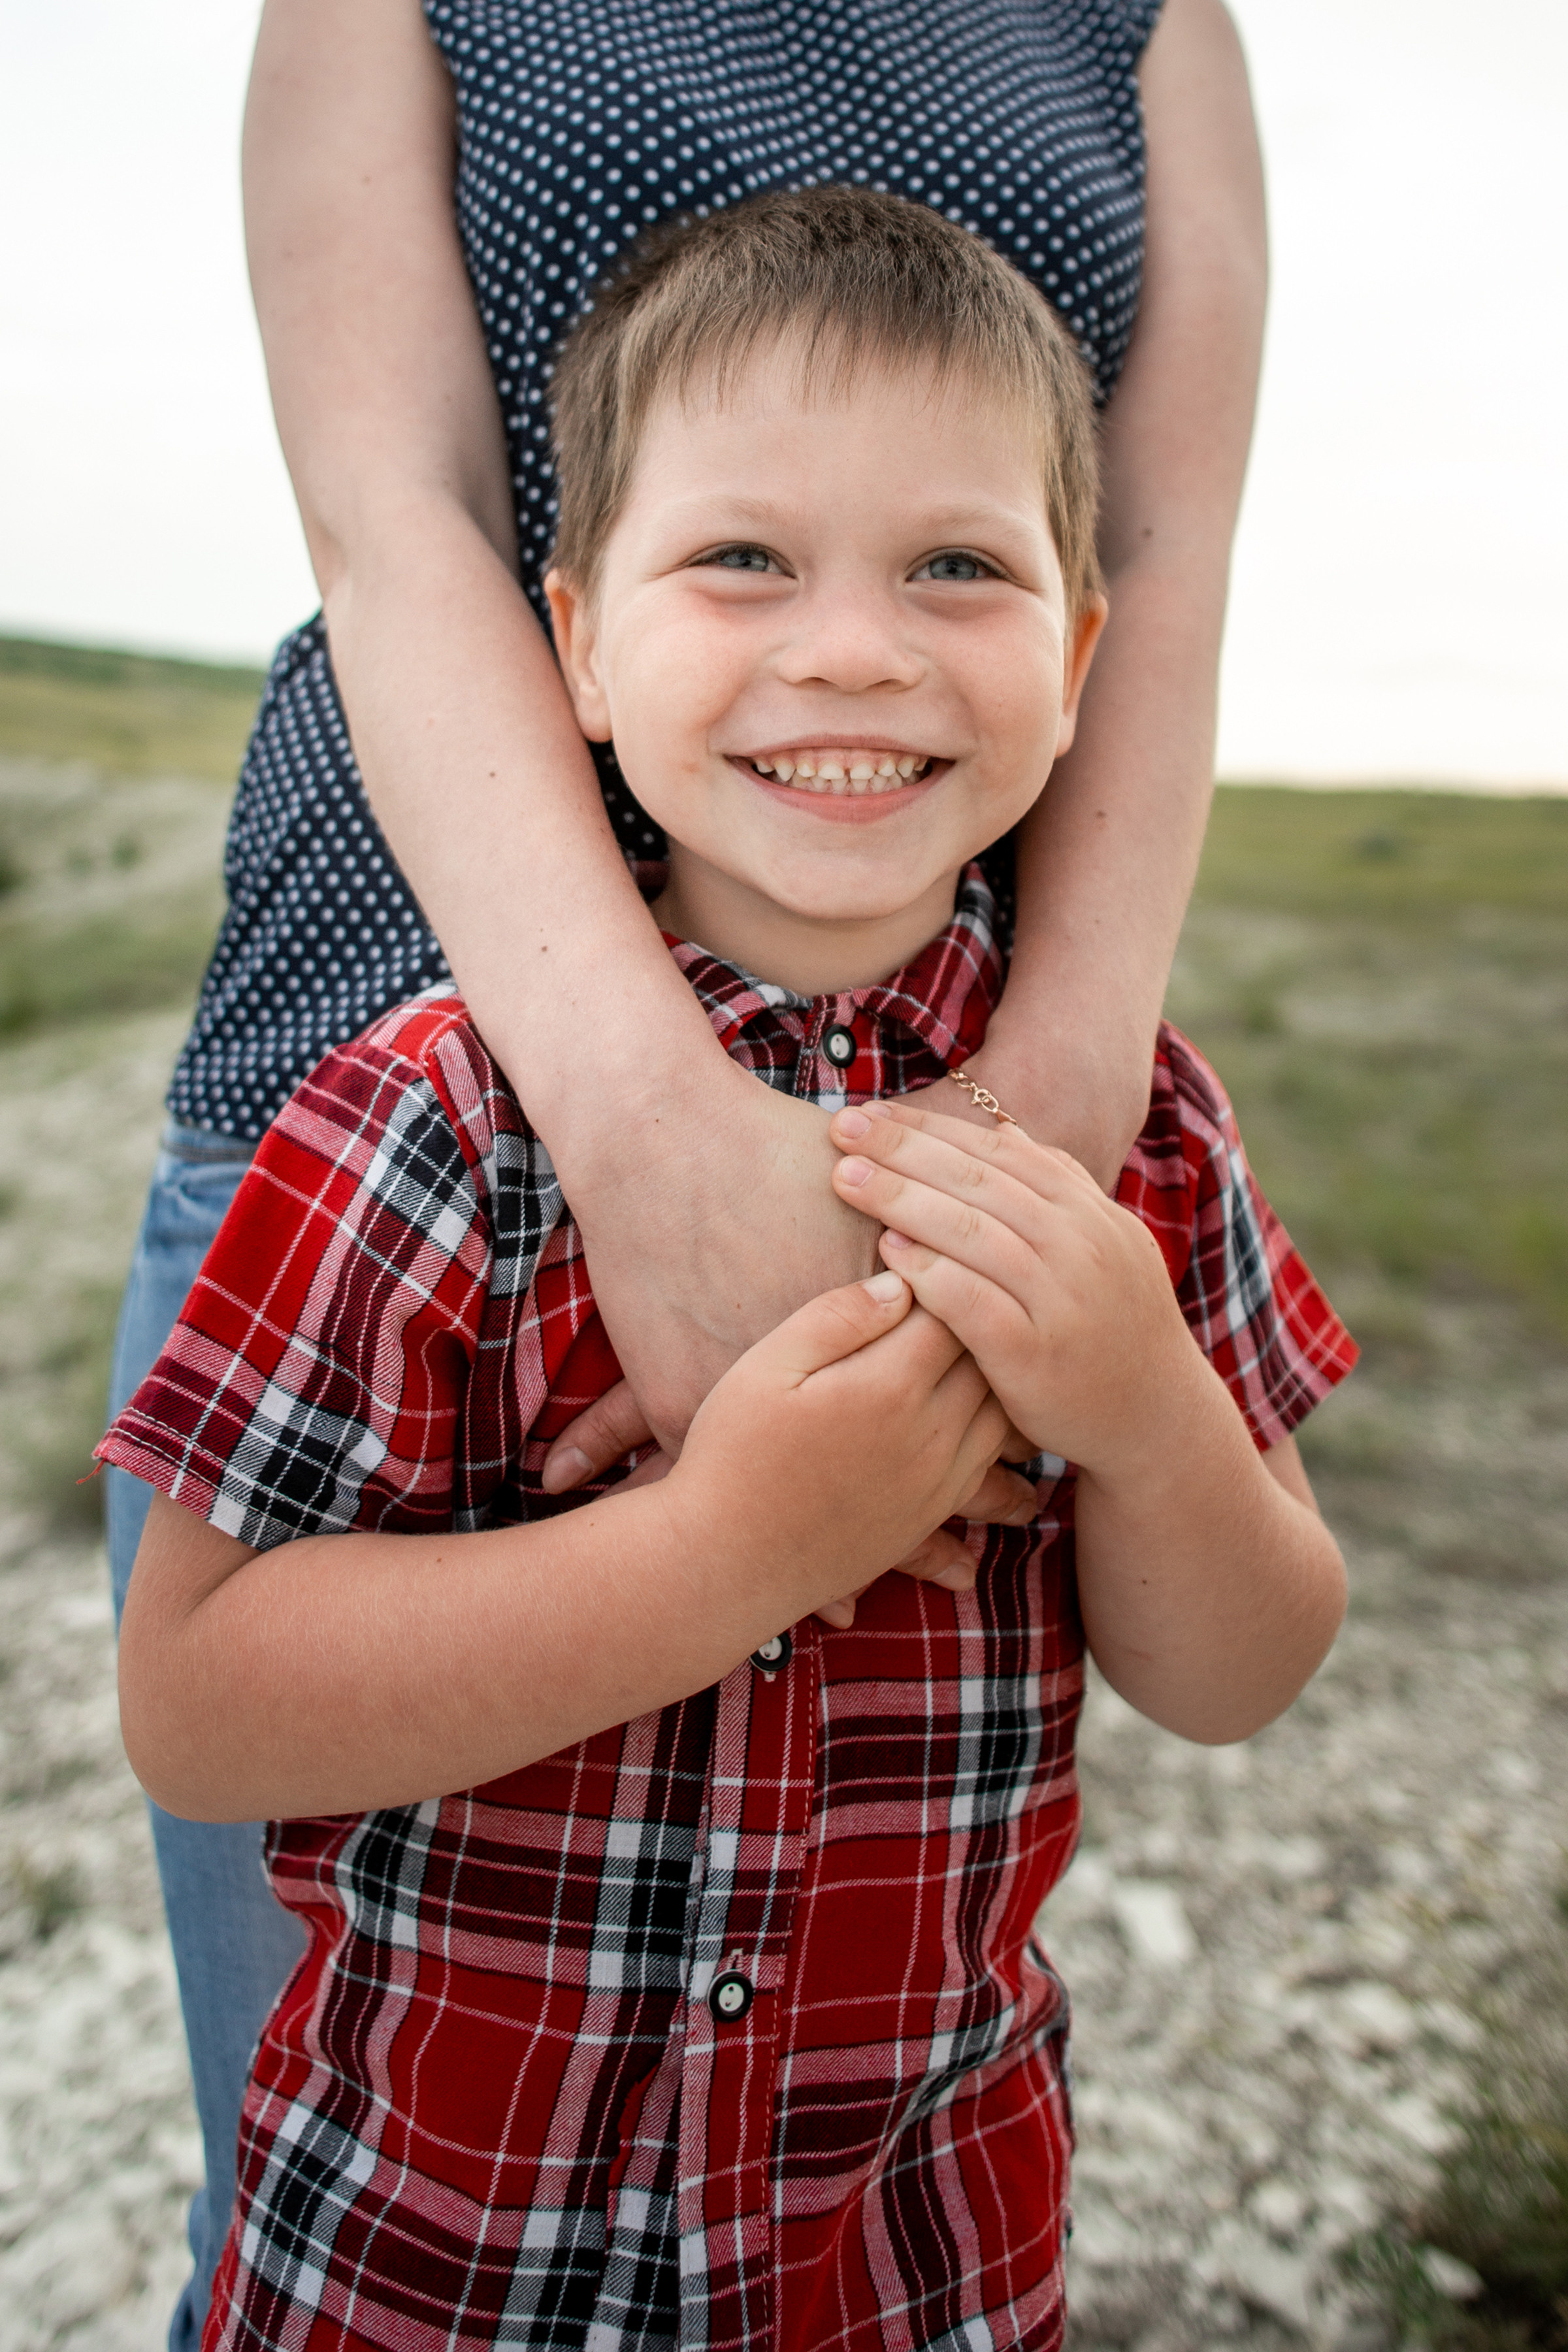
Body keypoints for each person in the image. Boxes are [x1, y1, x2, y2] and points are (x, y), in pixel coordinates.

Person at [104, 0, 1267, 2336]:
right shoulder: (412, 1130)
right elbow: (395, 505)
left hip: (915, 2257)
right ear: (597, 648)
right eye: (747, 561)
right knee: (347, 2081)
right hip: (448, 1027)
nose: (857, 647)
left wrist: (1058, 1104)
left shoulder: (1153, 25)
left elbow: (1170, 546)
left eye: (952, 575)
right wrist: (650, 1161)